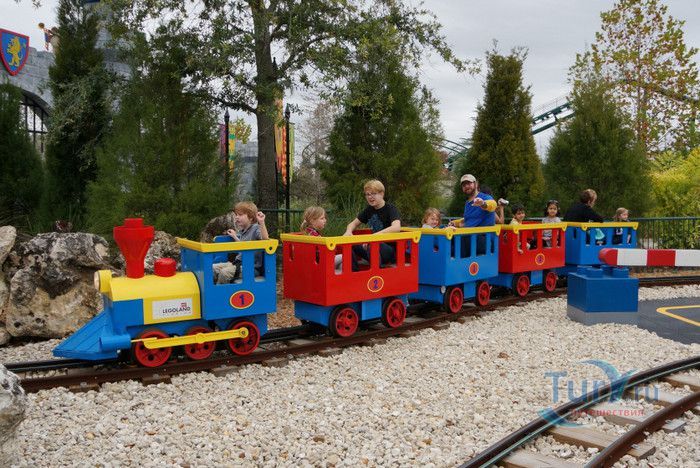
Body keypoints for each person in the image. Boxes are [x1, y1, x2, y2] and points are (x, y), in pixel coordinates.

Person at [344, 180, 401, 268]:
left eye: (373, 193)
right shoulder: (369, 210)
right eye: (368, 194)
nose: (370, 197)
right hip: (372, 247)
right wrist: (348, 231)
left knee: (374, 245)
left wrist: (373, 237)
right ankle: (354, 272)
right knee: (350, 243)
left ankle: (376, 273)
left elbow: (396, 227)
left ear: (382, 194)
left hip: (388, 251)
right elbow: (353, 224)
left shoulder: (390, 208)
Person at [213, 201, 269, 284]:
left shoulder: (256, 228)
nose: (237, 217)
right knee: (212, 268)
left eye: (240, 215)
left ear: (251, 217)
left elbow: (265, 239)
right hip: (237, 264)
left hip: (250, 268)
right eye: (236, 215)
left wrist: (261, 222)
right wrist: (235, 236)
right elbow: (244, 246)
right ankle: (211, 290)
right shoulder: (242, 231)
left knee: (224, 273)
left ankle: (219, 292)